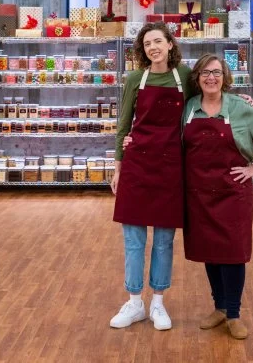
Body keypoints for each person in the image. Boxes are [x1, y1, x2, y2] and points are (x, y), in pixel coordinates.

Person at [182, 54, 253, 340]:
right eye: (205, 72)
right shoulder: (189, 108)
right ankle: (220, 308)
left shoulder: (240, 107)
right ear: (197, 78)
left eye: (216, 72)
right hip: (199, 193)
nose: (210, 77)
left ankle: (235, 313)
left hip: (232, 193)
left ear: (225, 77)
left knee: (232, 254)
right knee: (210, 253)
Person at [110, 22, 190, 331]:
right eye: (147, 44)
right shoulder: (134, 79)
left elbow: (211, 99)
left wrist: (242, 103)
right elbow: (123, 124)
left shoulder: (186, 77)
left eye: (158, 41)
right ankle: (134, 302)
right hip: (137, 165)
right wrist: (118, 167)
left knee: (164, 241)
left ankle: (158, 303)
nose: (153, 47)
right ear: (142, 51)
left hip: (171, 165)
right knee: (133, 239)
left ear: (170, 43)